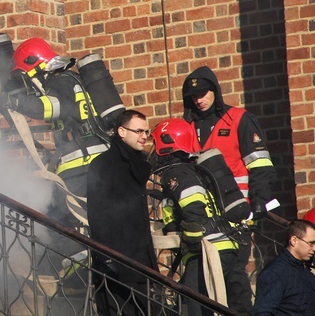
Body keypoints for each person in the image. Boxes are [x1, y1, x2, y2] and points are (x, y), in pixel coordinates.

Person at [182, 66, 275, 314]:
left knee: (235, 279)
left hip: (237, 215)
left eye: (203, 93)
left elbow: (260, 165)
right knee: (200, 283)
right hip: (202, 219)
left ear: (215, 91)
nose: (199, 100)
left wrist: (259, 200)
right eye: (194, 96)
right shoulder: (185, 126)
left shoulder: (238, 119)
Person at [3, 38, 114, 225]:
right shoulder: (73, 80)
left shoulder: (59, 82)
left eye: (25, 78)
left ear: (34, 68)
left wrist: (14, 102)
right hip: (97, 161)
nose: (28, 85)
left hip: (80, 166)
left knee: (59, 223)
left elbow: (49, 107)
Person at [152, 118, 250, 316]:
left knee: (196, 308)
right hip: (227, 246)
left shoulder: (176, 173)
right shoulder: (194, 170)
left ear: (165, 143)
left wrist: (192, 238)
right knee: (238, 307)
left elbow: (193, 203)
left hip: (207, 250)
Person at [87, 109, 159, 315]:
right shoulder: (103, 165)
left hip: (140, 260)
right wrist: (106, 257)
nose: (144, 136)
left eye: (146, 132)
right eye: (138, 131)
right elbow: (97, 214)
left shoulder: (138, 164)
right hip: (115, 263)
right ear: (121, 131)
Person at [253, 219, 315, 315]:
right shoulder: (275, 273)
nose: (314, 248)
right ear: (294, 240)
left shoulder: (305, 271)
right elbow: (263, 312)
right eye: (311, 243)